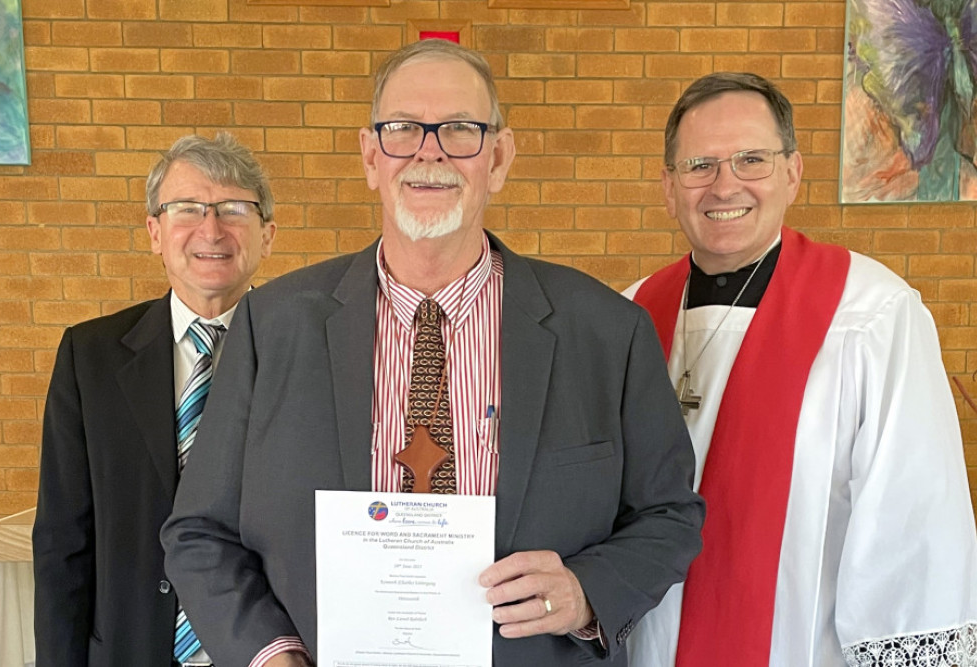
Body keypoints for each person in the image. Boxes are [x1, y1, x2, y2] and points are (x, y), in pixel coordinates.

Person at [161, 39, 704, 667]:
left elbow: (669, 515)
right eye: (403, 129)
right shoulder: (271, 325)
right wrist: (269, 654)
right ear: (370, 156)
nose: (429, 150)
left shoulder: (607, 331)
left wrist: (587, 592)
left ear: (498, 158)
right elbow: (198, 533)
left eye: (460, 130)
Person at [624, 72, 977, 667]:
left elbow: (914, 529)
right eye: (699, 165)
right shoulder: (629, 314)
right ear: (668, 186)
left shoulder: (872, 316)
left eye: (751, 160)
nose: (723, 184)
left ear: (791, 172)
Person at [33, 132, 277, 666]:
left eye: (234, 209)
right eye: (187, 209)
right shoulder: (89, 355)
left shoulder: (307, 355)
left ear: (267, 233)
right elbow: (62, 543)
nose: (211, 230)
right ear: (154, 231)